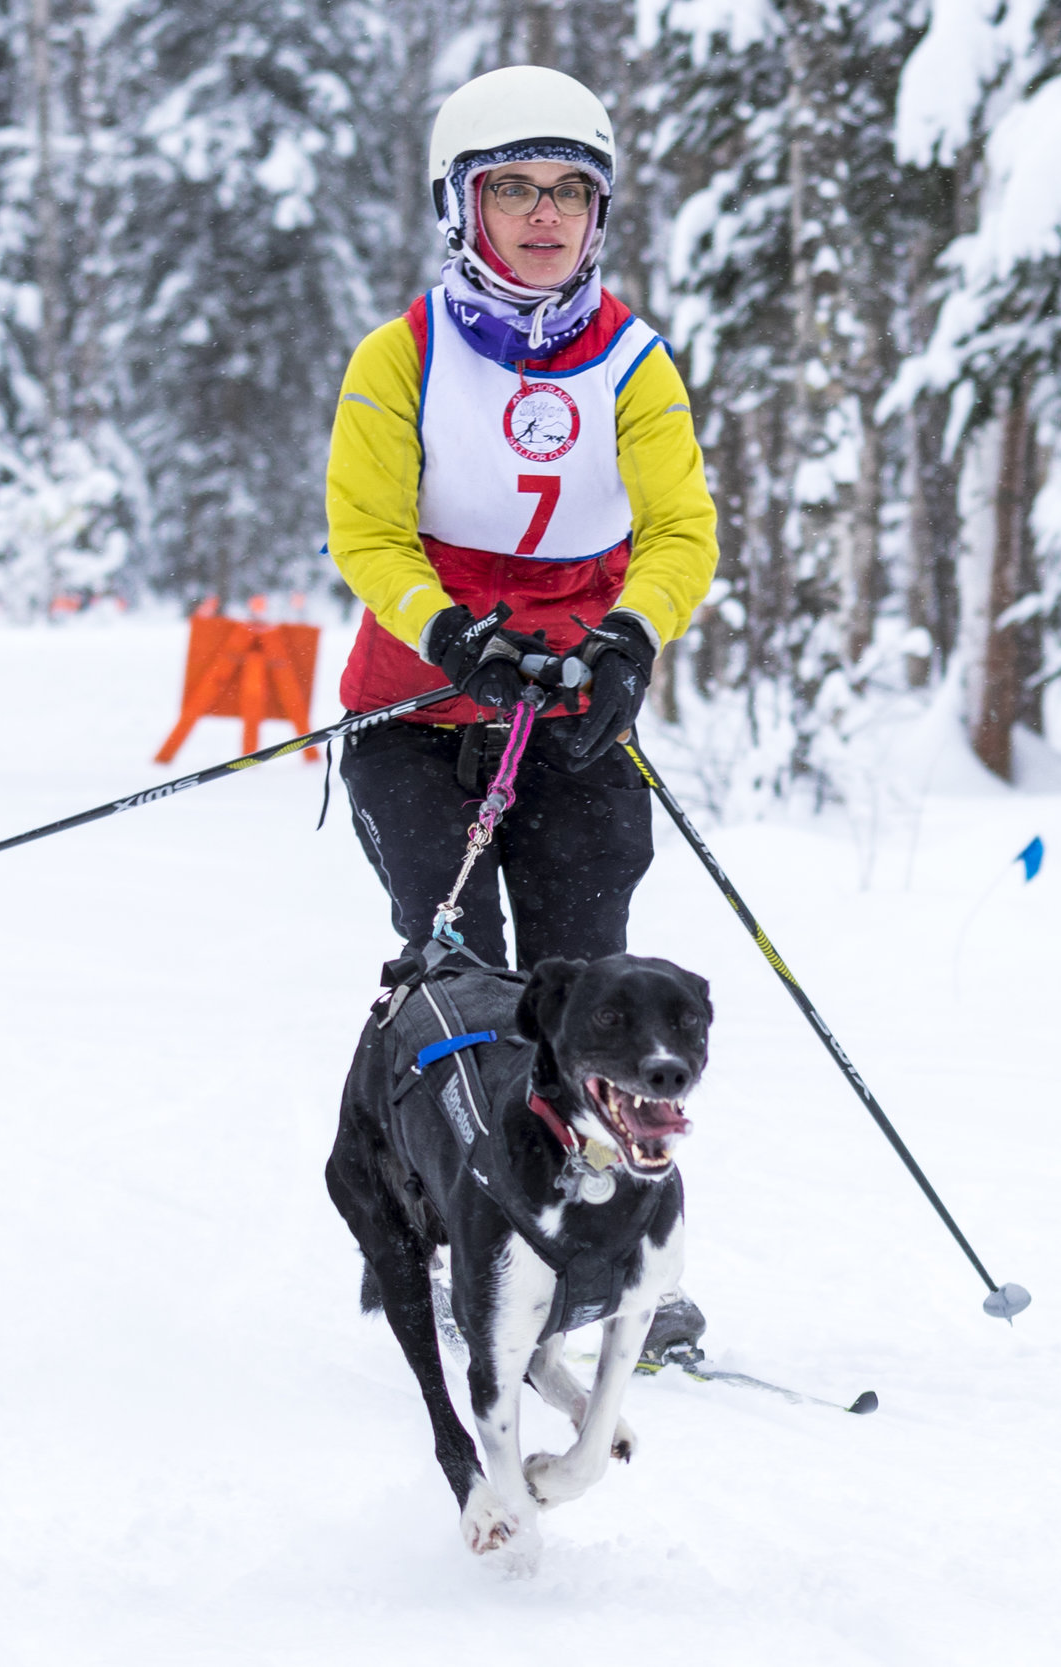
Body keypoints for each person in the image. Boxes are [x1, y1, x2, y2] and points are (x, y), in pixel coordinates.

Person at [324, 64, 713, 1358]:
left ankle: (602, 1258)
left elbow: (681, 531)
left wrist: (629, 641)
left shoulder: (632, 365)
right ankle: (436, 1222)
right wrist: (449, 633)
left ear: (596, 212)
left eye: (568, 191)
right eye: (514, 190)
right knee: (464, 985)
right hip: (420, 714)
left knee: (590, 998)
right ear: (463, 206)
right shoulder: (403, 359)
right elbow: (367, 534)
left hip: (572, 721)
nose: (543, 216)